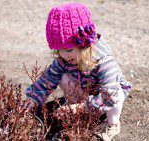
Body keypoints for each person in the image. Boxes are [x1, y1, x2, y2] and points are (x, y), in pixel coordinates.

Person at [25, 3, 131, 140]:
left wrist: (81, 107)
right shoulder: (64, 59)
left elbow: (110, 94)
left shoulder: (104, 61)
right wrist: (30, 101)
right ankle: (78, 110)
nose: (64, 55)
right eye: (58, 50)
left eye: (68, 50)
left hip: (109, 94)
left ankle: (112, 123)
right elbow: (46, 81)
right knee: (62, 76)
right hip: (85, 93)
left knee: (118, 93)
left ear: (85, 45)